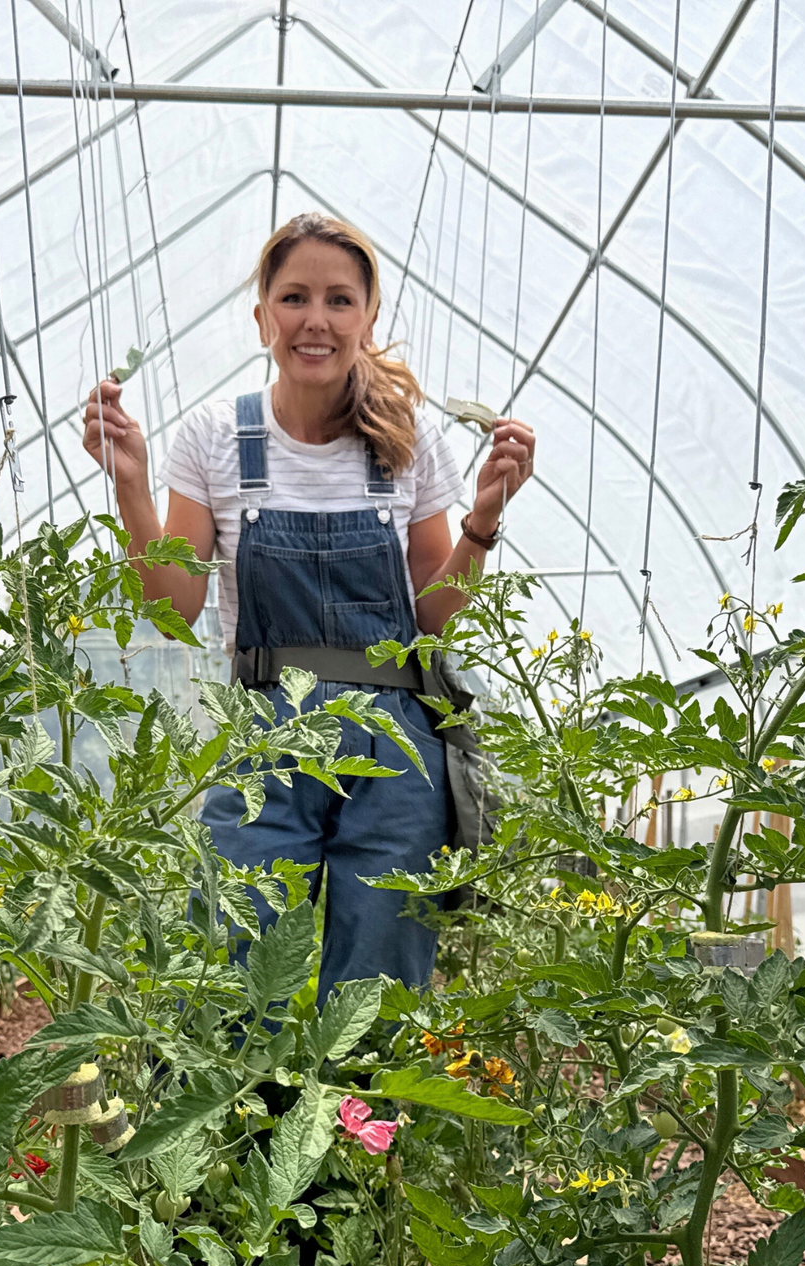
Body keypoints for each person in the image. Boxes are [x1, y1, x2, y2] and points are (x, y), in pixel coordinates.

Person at [83, 211, 535, 996]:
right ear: (263, 317)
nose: (315, 321)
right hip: (266, 735)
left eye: (338, 300)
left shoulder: (410, 441)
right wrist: (130, 485)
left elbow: (434, 616)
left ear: (368, 316)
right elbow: (173, 609)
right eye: (294, 298)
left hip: (396, 748)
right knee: (231, 969)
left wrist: (484, 518)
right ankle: (243, 1119)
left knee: (377, 992)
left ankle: (361, 1121)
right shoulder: (215, 437)